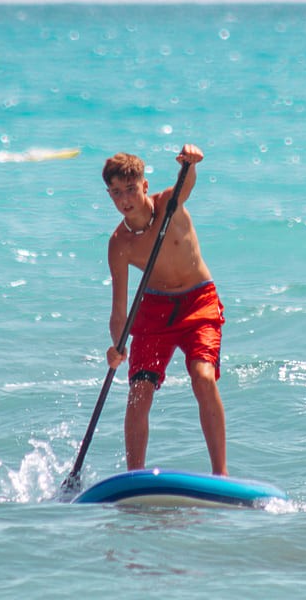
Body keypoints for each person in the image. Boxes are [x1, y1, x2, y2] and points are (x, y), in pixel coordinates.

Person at [102, 145, 227, 475]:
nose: (125, 199)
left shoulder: (169, 205)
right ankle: (134, 479)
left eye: (131, 189)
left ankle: (221, 474)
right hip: (154, 311)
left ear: (144, 186)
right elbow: (119, 312)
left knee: (203, 378)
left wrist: (191, 161)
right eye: (116, 193)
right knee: (138, 392)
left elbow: (186, 184)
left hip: (198, 301)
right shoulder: (120, 244)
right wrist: (118, 347)